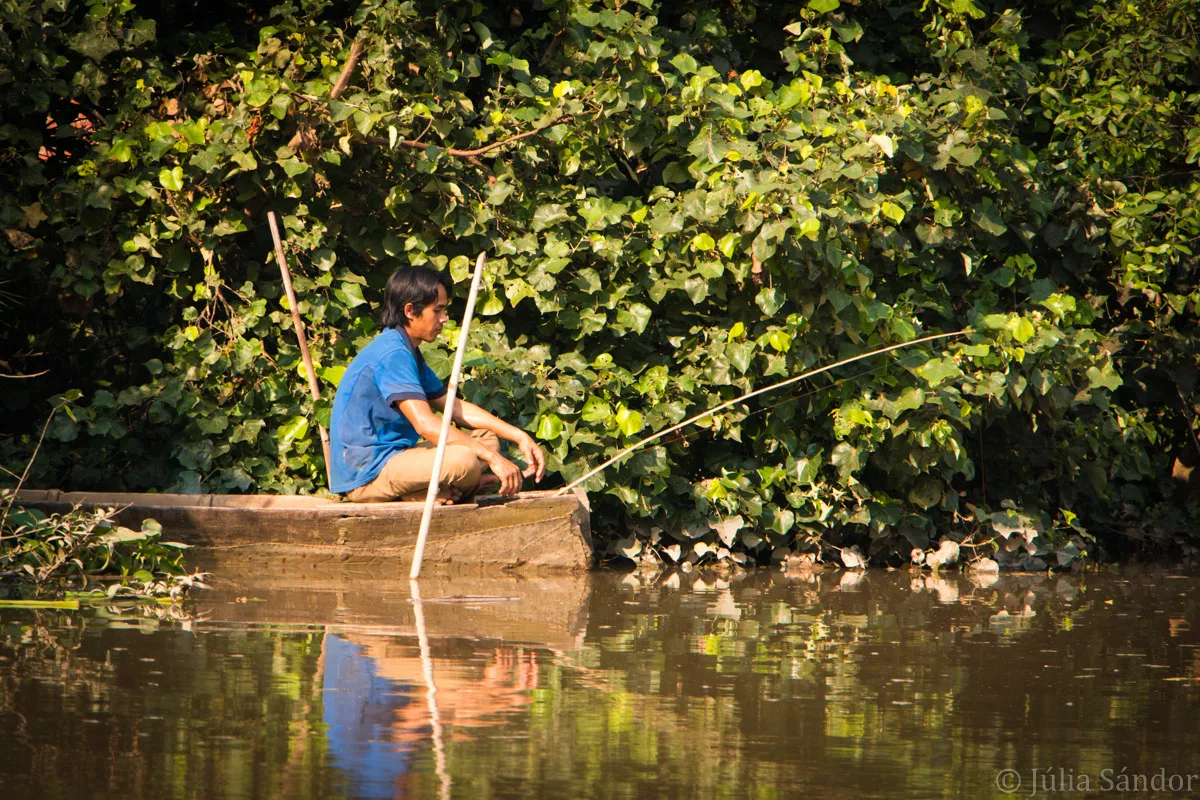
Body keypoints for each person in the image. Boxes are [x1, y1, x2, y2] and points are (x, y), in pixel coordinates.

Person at [329, 265, 545, 503]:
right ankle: (429, 489)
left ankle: (431, 489)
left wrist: (519, 436)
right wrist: (493, 459)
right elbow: (426, 425)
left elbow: (455, 407)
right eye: (437, 310)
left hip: (397, 457)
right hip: (367, 474)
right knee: (464, 460)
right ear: (410, 311)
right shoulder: (392, 354)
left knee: (486, 438)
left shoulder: (407, 350)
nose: (444, 318)